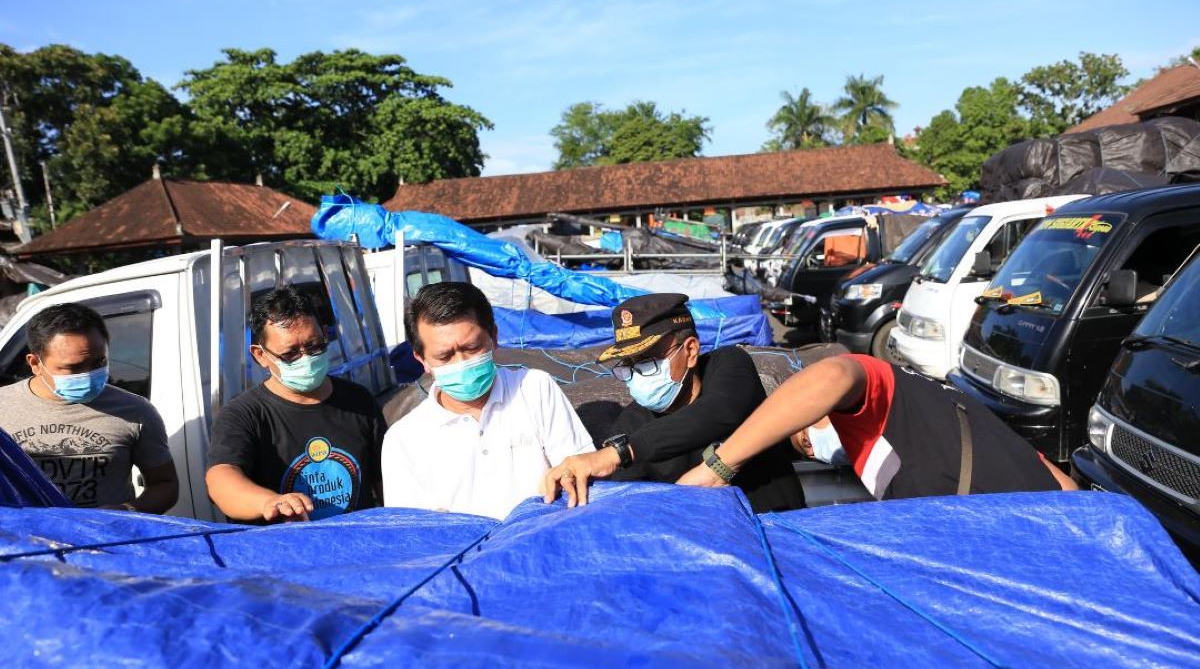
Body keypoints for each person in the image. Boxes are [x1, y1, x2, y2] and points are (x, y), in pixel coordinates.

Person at [542, 293, 806, 512]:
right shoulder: (631, 425)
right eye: (629, 366)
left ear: (690, 351)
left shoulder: (727, 366)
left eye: (647, 361)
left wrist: (619, 453)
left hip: (781, 529)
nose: (636, 376)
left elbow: (721, 411)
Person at [678, 354, 1078, 498]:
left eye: (804, 436)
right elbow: (1065, 487)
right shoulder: (950, 401)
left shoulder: (886, 392)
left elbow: (833, 375)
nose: (812, 447)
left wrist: (718, 468)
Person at [381, 281, 594, 519]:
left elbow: (579, 469)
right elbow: (411, 531)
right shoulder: (403, 440)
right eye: (444, 356)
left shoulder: (535, 389)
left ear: (494, 337)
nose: (461, 362)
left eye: (472, 348)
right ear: (422, 360)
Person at [206, 286, 386, 523]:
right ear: (260, 356)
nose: (306, 359)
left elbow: (385, 480)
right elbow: (221, 479)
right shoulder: (243, 415)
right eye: (290, 354)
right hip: (284, 554)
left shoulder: (358, 400)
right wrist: (268, 502)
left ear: (324, 334)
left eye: (314, 346)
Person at [0, 303, 178, 512]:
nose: (87, 374)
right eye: (72, 368)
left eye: (98, 363)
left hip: (105, 540)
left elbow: (165, 485)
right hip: (22, 541)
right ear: (35, 363)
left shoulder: (136, 410)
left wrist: (127, 511)